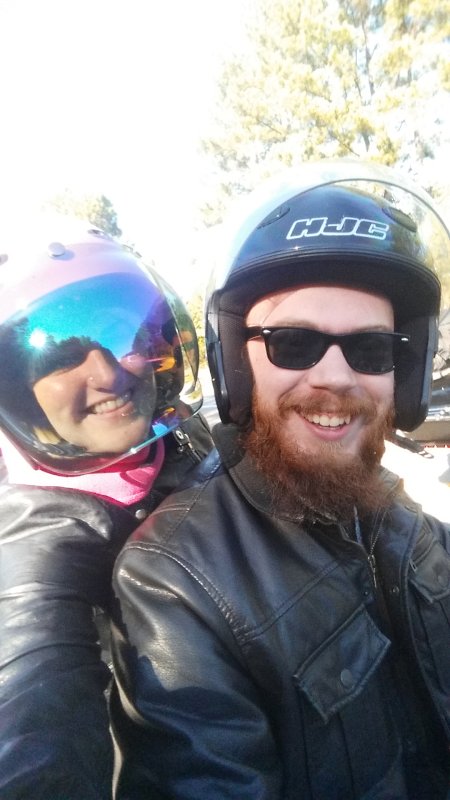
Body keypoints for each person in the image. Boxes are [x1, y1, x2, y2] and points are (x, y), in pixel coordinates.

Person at [110, 161, 450, 799]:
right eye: (293, 343)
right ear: (236, 362)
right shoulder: (175, 581)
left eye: (371, 350)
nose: (336, 377)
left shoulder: (405, 520)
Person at [0, 216, 212, 800]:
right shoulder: (41, 548)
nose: (108, 374)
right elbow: (31, 707)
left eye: (122, 337)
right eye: (60, 358)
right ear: (17, 388)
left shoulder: (184, 441)